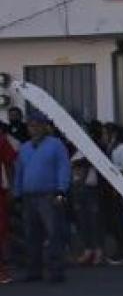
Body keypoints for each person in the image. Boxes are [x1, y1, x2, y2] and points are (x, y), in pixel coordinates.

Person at [13, 111, 70, 283]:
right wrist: (17, 193)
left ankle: (56, 270)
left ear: (45, 127)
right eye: (31, 125)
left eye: (37, 125)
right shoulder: (24, 148)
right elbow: (19, 172)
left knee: (54, 233)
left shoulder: (56, 145)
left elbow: (63, 168)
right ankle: (34, 270)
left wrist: (62, 190)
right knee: (31, 235)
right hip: (28, 196)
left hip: (49, 194)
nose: (34, 128)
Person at [70, 124, 105, 266]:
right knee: (82, 221)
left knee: (94, 221)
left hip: (91, 188)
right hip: (78, 188)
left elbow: (88, 162)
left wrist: (77, 164)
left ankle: (98, 250)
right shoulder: (78, 149)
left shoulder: (95, 147)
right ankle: (88, 249)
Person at [102, 123, 123, 265]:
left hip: (119, 186)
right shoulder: (110, 146)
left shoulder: (122, 148)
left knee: (119, 218)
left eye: (106, 133)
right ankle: (119, 249)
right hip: (111, 186)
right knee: (114, 219)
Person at [0, 122, 18, 283]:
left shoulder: (1, 141)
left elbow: (10, 163)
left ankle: (2, 270)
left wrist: (12, 188)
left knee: (2, 230)